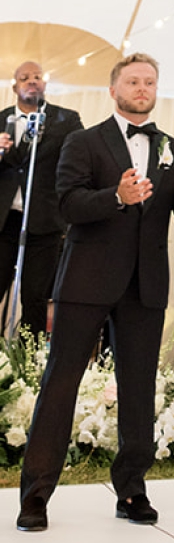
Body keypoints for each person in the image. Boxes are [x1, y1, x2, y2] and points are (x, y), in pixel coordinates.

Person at [15, 53, 174, 532]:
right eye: (133, 81)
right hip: (86, 280)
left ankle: (131, 489)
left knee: (139, 388)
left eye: (149, 82)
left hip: (145, 285)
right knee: (60, 384)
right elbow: (66, 204)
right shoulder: (84, 141)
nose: (142, 88)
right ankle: (35, 496)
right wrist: (114, 198)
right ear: (113, 90)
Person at [0, 61, 82, 338]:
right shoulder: (0, 120)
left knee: (35, 297)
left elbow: (77, 164)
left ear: (45, 85)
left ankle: (26, 366)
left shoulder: (66, 120)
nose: (31, 81)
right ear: (15, 87)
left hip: (45, 222)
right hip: (3, 221)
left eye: (37, 77)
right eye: (24, 78)